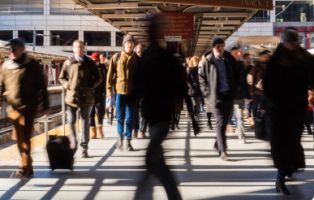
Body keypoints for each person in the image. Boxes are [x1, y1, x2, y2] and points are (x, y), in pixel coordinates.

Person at [133, 14, 186, 200]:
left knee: (152, 160)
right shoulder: (162, 57)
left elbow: (137, 86)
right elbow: (181, 86)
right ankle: (171, 196)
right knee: (155, 161)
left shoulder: (152, 57)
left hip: (159, 115)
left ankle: (144, 195)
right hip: (159, 114)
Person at [263, 27, 314, 195]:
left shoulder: (303, 56)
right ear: (284, 42)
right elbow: (268, 85)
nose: (293, 45)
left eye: (294, 42)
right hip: (279, 110)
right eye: (290, 42)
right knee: (282, 144)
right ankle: (280, 177)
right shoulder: (276, 59)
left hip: (297, 108)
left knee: (292, 141)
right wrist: (272, 104)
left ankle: (288, 169)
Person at [0, 38, 49, 178]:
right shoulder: (5, 66)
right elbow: (1, 84)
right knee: (19, 137)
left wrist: (45, 104)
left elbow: (42, 86)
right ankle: (27, 162)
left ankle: (25, 167)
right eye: (10, 49)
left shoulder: (32, 64)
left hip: (29, 106)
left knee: (25, 137)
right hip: (13, 107)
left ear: (22, 49)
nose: (12, 51)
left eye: (15, 48)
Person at [59, 40, 101, 158]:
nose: (79, 50)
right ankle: (73, 140)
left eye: (81, 47)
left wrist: (91, 86)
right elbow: (61, 78)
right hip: (71, 97)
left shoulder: (90, 62)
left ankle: (84, 148)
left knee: (85, 121)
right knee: (71, 120)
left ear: (84, 49)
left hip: (86, 97)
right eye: (77, 48)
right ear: (73, 49)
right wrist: (68, 85)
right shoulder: (68, 62)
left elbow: (98, 78)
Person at [199, 37, 238, 161]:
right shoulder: (207, 60)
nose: (220, 49)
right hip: (215, 97)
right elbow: (201, 78)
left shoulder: (229, 58)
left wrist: (235, 87)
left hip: (228, 95)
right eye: (218, 47)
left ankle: (217, 144)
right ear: (213, 47)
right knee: (220, 123)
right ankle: (223, 150)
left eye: (222, 46)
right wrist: (207, 93)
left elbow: (237, 73)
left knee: (225, 122)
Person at [106, 34, 139, 151]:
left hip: (132, 93)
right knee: (120, 117)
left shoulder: (136, 59)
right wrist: (109, 89)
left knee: (130, 118)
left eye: (131, 43)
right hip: (120, 92)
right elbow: (109, 75)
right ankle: (120, 137)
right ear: (124, 44)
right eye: (127, 43)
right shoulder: (116, 57)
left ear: (134, 45)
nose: (129, 45)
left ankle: (128, 141)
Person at [230, 46, 247, 143]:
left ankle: (242, 136)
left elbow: (243, 81)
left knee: (239, 117)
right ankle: (220, 140)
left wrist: (247, 94)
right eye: (235, 53)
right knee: (225, 118)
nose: (238, 55)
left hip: (239, 96)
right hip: (227, 96)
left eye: (239, 53)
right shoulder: (226, 64)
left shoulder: (241, 64)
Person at [89, 52, 106, 139]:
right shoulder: (88, 68)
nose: (95, 62)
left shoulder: (103, 68)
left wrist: (106, 91)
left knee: (100, 112)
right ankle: (93, 132)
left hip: (100, 93)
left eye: (96, 61)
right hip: (90, 93)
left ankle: (100, 130)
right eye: (94, 61)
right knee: (90, 113)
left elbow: (105, 80)